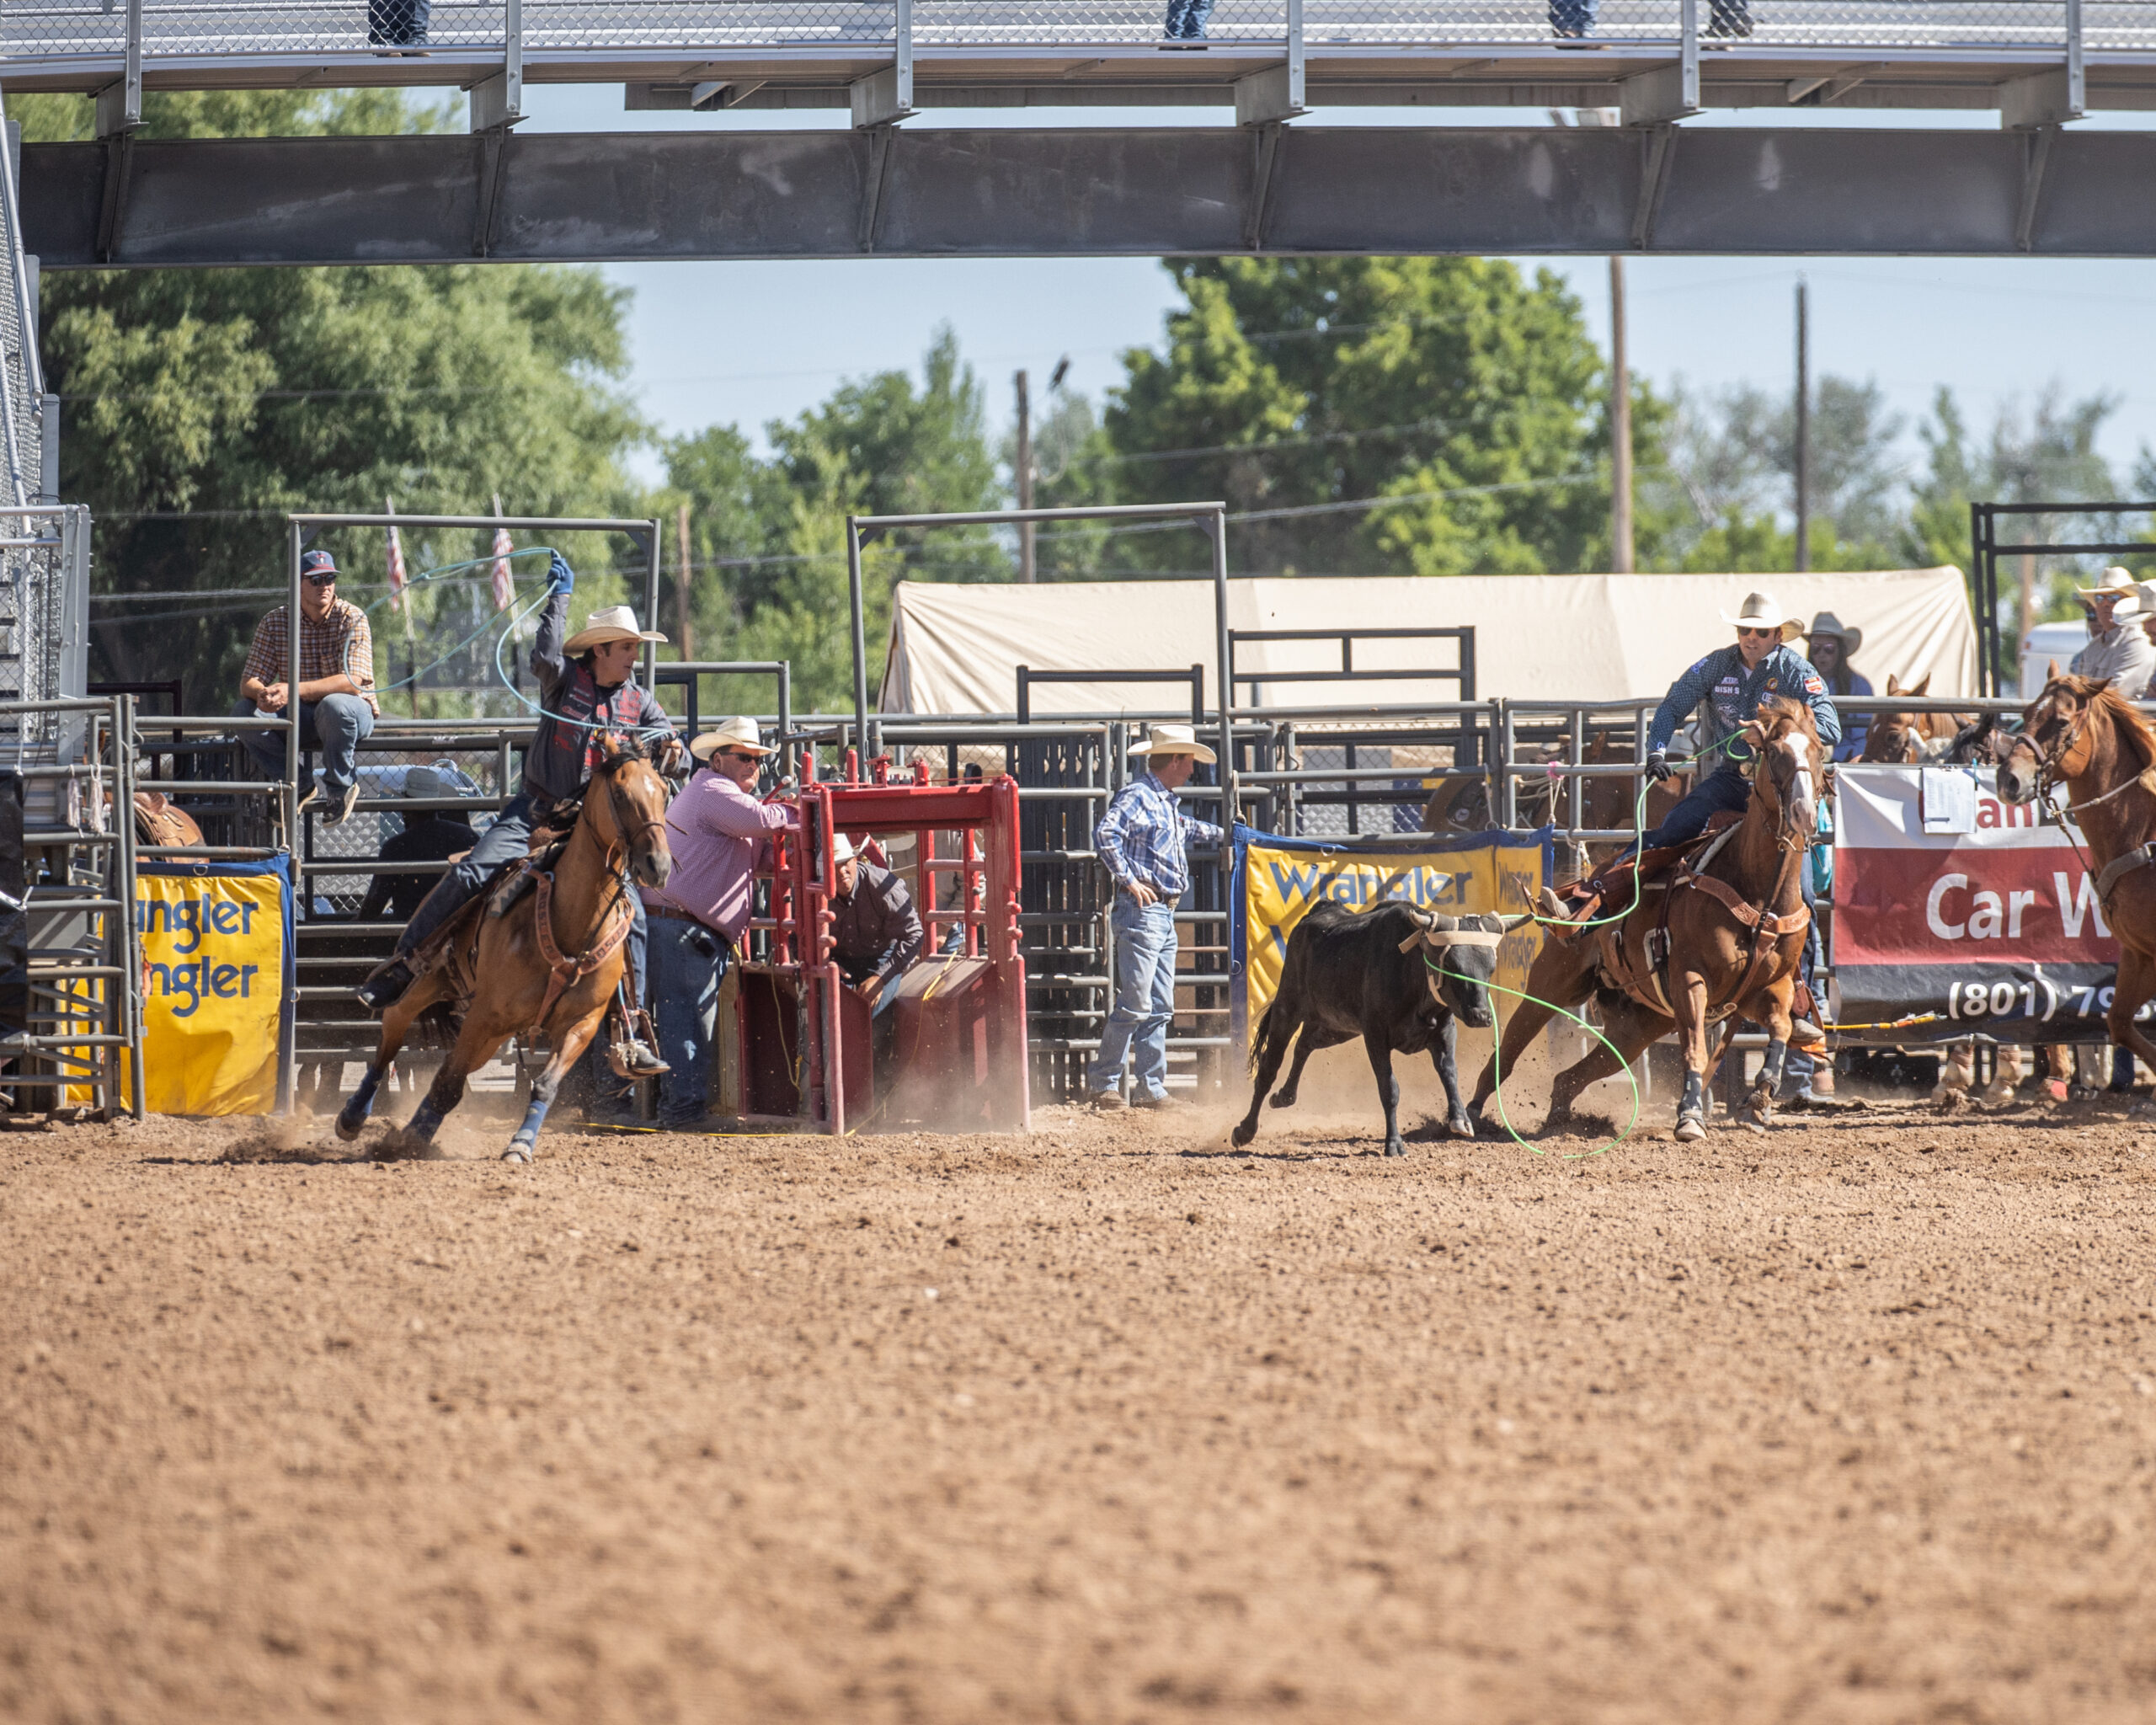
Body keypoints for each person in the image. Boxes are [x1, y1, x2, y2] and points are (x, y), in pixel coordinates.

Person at [354, 554, 672, 1079]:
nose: (635, 657)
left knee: (629, 916)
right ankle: (406, 963)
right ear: (601, 650)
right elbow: (544, 654)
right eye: (629, 647)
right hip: (538, 812)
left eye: (637, 648)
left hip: (595, 833)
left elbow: (667, 736)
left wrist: (674, 748)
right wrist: (559, 600)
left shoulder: (640, 701)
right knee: (472, 871)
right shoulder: (565, 680)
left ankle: (630, 1028)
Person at [638, 718, 798, 1128]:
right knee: (686, 1020)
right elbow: (764, 822)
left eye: (758, 759)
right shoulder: (714, 791)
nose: (754, 766)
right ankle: (683, 1113)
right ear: (719, 758)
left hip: (682, 927)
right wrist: (799, 809)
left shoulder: (720, 799)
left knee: (683, 1018)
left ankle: (678, 1109)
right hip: (683, 929)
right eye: (745, 757)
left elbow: (758, 852)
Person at [1087, 722, 1225, 1111]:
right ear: (1176, 759)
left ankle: (1149, 1087)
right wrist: (1129, 880)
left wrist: (1229, 832)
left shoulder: (1161, 801)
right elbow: (1106, 833)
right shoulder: (1139, 796)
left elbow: (1188, 829)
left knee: (1158, 1004)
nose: (1194, 768)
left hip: (1160, 912)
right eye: (1191, 760)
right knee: (1137, 1002)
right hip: (1145, 910)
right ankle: (1105, 1084)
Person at [232, 547, 378, 827]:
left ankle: (340, 789)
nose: (324, 586)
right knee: (243, 712)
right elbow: (248, 681)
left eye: (329, 579)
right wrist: (264, 695)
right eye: (316, 580)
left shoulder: (352, 617)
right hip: (300, 715)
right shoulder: (275, 621)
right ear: (297, 584)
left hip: (349, 713)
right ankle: (297, 785)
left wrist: (290, 690)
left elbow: (352, 682)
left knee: (334, 705)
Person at [356, 766, 478, 923]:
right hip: (461, 931)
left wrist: (352, 927)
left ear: (405, 807)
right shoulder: (468, 837)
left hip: (413, 934)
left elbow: (373, 907)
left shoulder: (396, 848)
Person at [828, 832, 925, 1014]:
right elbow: (796, 938)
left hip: (881, 955)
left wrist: (881, 977)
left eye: (845, 863)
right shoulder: (815, 890)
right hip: (836, 960)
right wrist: (824, 963)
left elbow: (914, 934)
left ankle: (869, 1037)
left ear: (855, 860)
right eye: (833, 866)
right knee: (834, 1008)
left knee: (869, 1010)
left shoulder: (882, 885)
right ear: (824, 869)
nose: (841, 871)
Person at [2070, 567, 2156, 699]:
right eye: (2099, 598)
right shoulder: (2094, 646)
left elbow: (2113, 696)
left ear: (2128, 603)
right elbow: (2074, 690)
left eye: (2114, 598)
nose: (2106, 604)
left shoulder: (2136, 642)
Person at [1806, 611, 1873, 763]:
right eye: (1816, 648)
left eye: (1829, 648)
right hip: (1809, 758)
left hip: (1846, 761)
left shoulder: (1859, 685)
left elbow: (1863, 734)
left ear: (1840, 651)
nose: (1822, 654)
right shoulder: (1799, 682)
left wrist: (1856, 756)